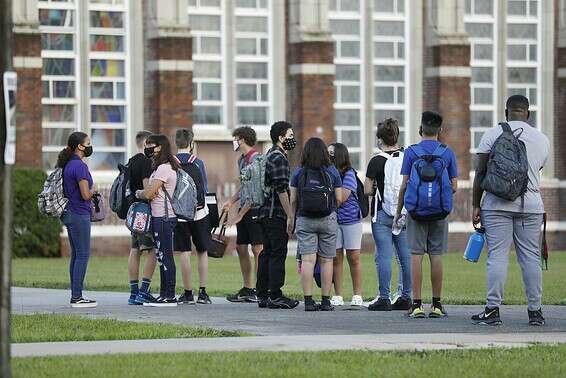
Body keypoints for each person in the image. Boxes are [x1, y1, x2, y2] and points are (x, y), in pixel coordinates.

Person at [471, 95, 549, 326]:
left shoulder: (491, 134)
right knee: (531, 258)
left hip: (496, 204)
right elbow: (536, 169)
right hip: (531, 205)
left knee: (497, 256)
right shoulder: (542, 139)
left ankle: (492, 310)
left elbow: (480, 173)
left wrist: (476, 204)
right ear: (528, 113)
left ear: (506, 112)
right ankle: (535, 312)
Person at [394, 111, 458, 318]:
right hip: (439, 212)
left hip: (416, 211)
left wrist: (398, 212)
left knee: (416, 256)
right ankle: (437, 305)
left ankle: (417, 304)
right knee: (436, 255)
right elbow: (454, 185)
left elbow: (404, 185)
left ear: (420, 129)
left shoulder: (412, 152)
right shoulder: (447, 152)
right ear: (440, 130)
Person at [290, 138, 343, 311]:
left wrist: (292, 219)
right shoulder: (332, 171)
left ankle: (308, 301)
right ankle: (326, 301)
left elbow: (293, 199)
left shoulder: (299, 172)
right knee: (327, 261)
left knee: (307, 260)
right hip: (328, 219)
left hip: (305, 219)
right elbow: (340, 198)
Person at [365, 118, 412, 311]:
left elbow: (368, 189)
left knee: (383, 255)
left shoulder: (376, 160)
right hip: (404, 212)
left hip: (382, 213)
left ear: (379, 139)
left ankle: (384, 297)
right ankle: (406, 296)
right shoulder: (408, 156)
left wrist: (376, 184)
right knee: (405, 255)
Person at [256, 121, 299, 309]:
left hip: (264, 212)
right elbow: (282, 189)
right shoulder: (279, 157)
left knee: (266, 253)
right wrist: (290, 215)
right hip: (275, 213)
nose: (292, 138)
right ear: (281, 138)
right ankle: (275, 294)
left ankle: (262, 294)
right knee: (277, 253)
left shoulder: (268, 155)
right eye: (290, 135)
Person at [136, 134, 179, 306]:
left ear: (159, 147)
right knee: (162, 256)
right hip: (162, 216)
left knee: (165, 255)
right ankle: (165, 294)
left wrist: (139, 193)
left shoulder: (163, 168)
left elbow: (148, 193)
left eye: (150, 145)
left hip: (163, 217)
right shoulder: (166, 166)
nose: (147, 148)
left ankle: (169, 295)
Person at [223, 126, 263, 303]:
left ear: (242, 140)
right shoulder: (241, 160)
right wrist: (231, 201)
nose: (234, 142)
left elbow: (255, 191)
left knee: (257, 249)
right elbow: (244, 187)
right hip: (244, 209)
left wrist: (240, 214)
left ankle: (261, 288)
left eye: (235, 138)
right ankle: (248, 288)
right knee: (241, 247)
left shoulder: (256, 160)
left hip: (254, 209)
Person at [173, 129, 212, 305]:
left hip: (179, 215)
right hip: (199, 213)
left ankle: (188, 293)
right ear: (191, 144)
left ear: (176, 143)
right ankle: (203, 292)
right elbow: (204, 188)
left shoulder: (169, 163)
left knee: (184, 252)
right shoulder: (198, 163)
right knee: (202, 251)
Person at [58, 132, 97, 308]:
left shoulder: (68, 165)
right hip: (79, 213)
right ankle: (77, 297)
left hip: (69, 213)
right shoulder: (80, 167)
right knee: (82, 255)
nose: (90, 146)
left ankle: (75, 295)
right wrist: (94, 191)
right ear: (80, 147)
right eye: (88, 143)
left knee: (76, 255)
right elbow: (85, 194)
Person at [327, 143, 363, 307]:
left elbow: (341, 198)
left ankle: (357, 295)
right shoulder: (326, 172)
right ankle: (338, 295)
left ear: (339, 155)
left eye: (331, 153)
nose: (328, 155)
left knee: (353, 257)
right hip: (334, 221)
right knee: (336, 258)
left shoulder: (349, 174)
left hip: (351, 221)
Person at [127, 131, 158, 305]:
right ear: (147, 143)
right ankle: (144, 291)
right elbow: (147, 191)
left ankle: (133, 292)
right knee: (152, 250)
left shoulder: (132, 161)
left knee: (135, 250)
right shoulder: (146, 162)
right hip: (145, 211)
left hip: (134, 211)